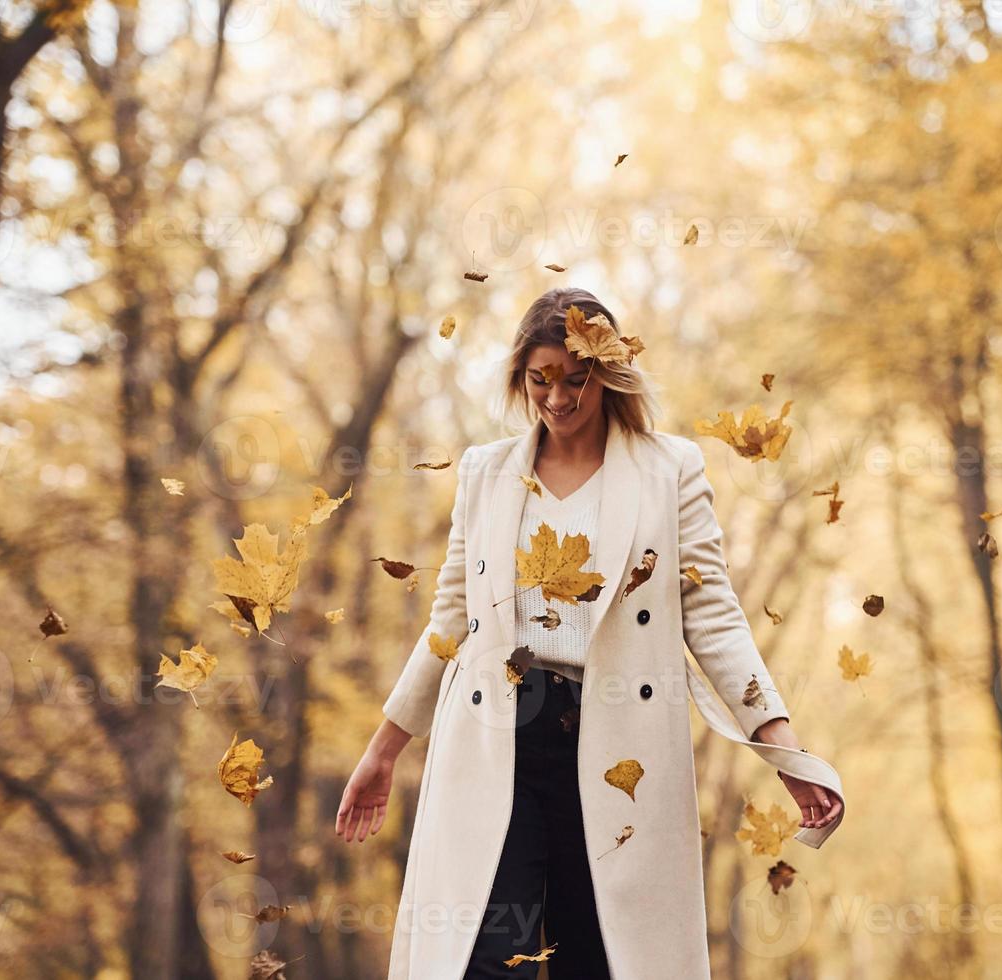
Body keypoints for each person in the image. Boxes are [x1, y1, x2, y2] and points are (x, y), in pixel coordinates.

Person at [336, 287, 844, 979]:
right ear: (521, 378)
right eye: (539, 379)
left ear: (606, 375)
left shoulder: (669, 470)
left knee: (603, 960)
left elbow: (713, 615)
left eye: (575, 379)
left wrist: (784, 750)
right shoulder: (486, 472)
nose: (557, 398)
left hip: (616, 751)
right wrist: (385, 748)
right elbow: (449, 621)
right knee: (484, 961)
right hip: (496, 742)